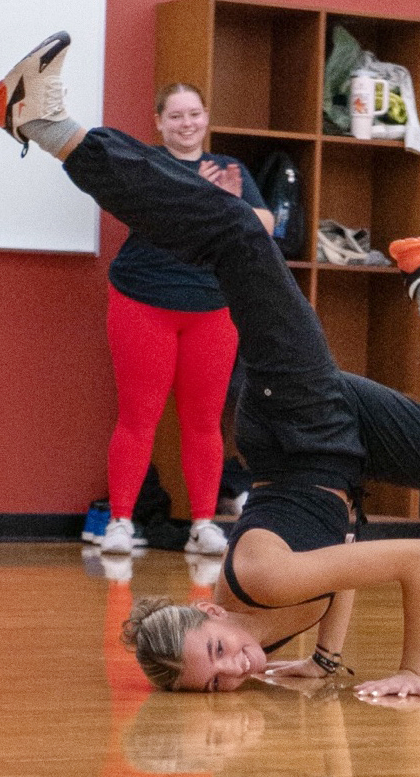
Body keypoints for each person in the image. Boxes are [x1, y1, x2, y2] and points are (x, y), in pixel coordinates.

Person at [0, 32, 420, 697]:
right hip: (334, 451)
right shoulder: (255, 624)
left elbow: (415, 558)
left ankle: (45, 123)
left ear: (211, 612)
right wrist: (325, 661)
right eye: (217, 681)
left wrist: (413, 674)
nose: (236, 666)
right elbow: (346, 568)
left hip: (299, 421)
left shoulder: (263, 584)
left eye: (215, 651)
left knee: (240, 234)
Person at [98, 81, 273, 557]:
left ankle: (203, 523)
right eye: (176, 116)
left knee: (204, 421)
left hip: (213, 308)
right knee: (138, 417)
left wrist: (232, 203)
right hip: (142, 301)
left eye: (194, 114)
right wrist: (207, 198)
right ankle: (119, 522)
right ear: (159, 122)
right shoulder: (148, 165)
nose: (187, 123)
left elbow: (265, 226)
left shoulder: (231, 169)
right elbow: (165, 218)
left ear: (206, 117)